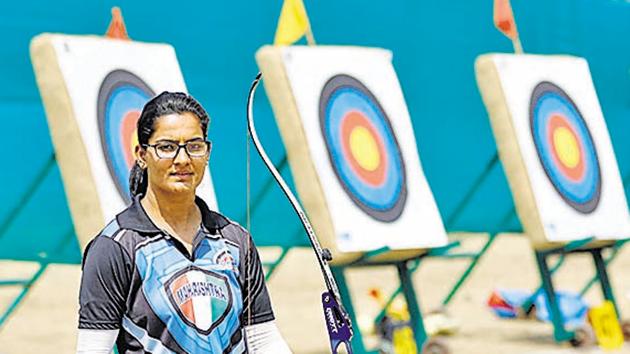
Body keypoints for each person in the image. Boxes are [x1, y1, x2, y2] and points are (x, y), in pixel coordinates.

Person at [76, 92, 292, 353]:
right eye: (166, 147)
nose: (182, 159)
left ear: (207, 151)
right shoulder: (115, 247)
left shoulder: (235, 240)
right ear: (142, 154)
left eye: (194, 146)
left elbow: (263, 339)